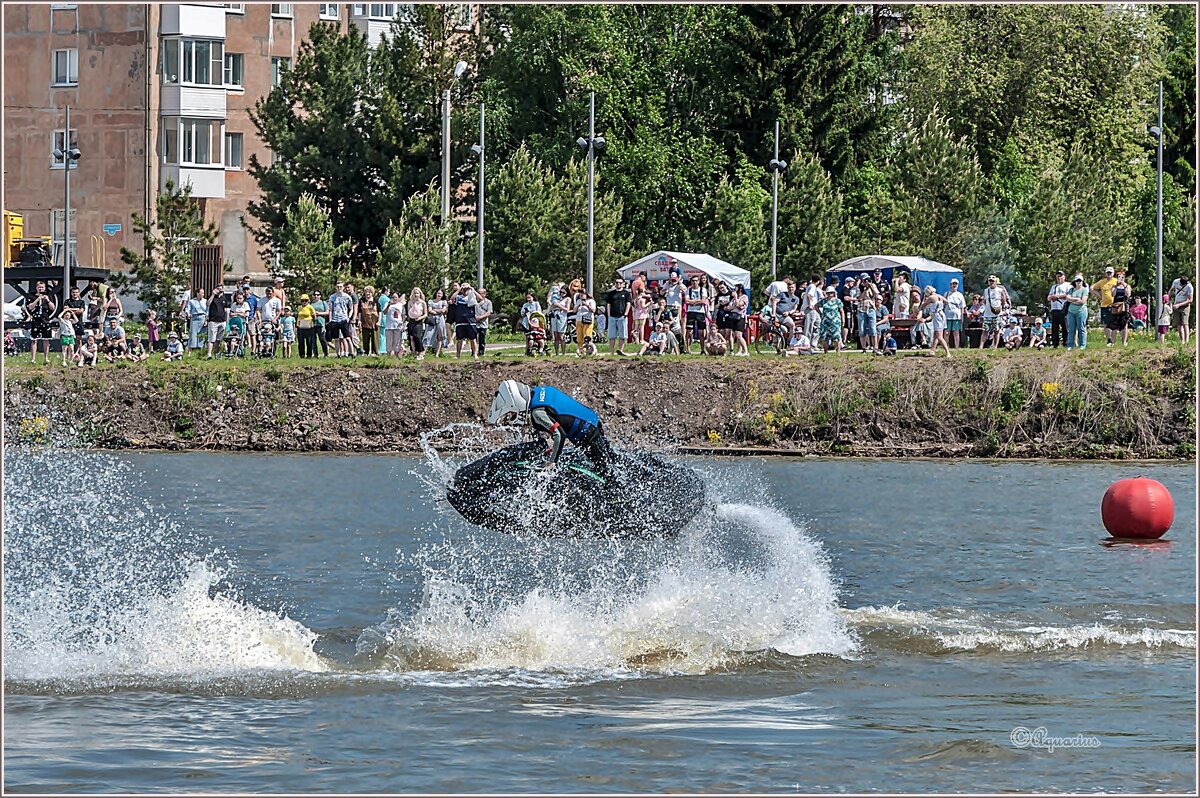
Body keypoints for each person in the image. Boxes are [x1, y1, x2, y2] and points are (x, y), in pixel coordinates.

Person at [487, 380, 616, 475]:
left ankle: (617, 498)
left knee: (604, 470)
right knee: (611, 459)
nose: (512, 417)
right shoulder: (539, 392)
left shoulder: (537, 413)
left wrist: (552, 462)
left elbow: (559, 434)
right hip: (593, 421)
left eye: (512, 414)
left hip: (588, 435)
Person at [24, 280, 57, 364]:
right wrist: (37, 299)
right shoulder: (32, 296)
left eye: (42, 287)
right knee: (34, 339)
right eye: (39, 287)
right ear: (36, 288)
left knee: (46, 339)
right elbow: (30, 307)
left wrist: (48, 300)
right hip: (36, 320)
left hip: (45, 320)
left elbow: (53, 308)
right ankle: (33, 359)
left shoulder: (49, 296)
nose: (41, 289)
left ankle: (46, 358)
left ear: (45, 288)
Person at [604, 277, 632, 355]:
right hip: (612, 316)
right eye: (617, 283)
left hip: (622, 316)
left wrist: (626, 314)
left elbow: (628, 303)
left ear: (623, 284)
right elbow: (608, 304)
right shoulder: (611, 293)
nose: (618, 284)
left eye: (620, 283)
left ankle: (620, 350)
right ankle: (611, 351)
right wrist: (609, 315)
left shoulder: (626, 293)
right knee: (611, 335)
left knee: (622, 335)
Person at [979, 275, 1008, 349]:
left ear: (996, 282)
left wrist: (999, 309)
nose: (991, 282)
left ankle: (995, 346)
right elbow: (984, 301)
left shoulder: (1000, 290)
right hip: (987, 314)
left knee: (996, 330)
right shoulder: (986, 290)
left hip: (997, 314)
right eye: (990, 281)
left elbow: (1003, 301)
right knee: (985, 331)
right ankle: (981, 347)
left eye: (993, 281)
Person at [452, 282, 480, 359]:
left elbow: (481, 299)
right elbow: (452, 298)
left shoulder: (472, 297)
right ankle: (458, 355)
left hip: (471, 320)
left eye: (466, 289)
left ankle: (475, 354)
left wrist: (472, 290)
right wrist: (459, 289)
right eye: (464, 289)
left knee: (473, 338)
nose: (465, 291)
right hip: (460, 320)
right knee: (459, 339)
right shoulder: (458, 297)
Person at [327, 281, 354, 358]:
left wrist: (349, 317)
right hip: (335, 319)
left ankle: (351, 353)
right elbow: (330, 309)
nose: (339, 288)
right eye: (338, 287)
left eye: (341, 287)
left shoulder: (347, 297)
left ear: (343, 287)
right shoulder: (332, 297)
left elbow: (351, 308)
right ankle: (338, 354)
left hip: (343, 318)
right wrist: (330, 319)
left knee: (347, 337)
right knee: (336, 338)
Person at [1091, 266, 1117, 344]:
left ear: (1113, 273)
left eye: (1110, 273)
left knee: (1114, 324)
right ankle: (1109, 340)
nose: (1109, 274)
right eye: (1108, 273)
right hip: (1104, 305)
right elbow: (1092, 288)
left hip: (1114, 305)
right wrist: (1099, 296)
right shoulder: (1102, 282)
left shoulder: (1116, 281)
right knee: (1106, 324)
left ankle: (1113, 340)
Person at [1106, 272, 1132, 347]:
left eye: (1122, 277)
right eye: (1119, 277)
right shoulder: (1114, 286)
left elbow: (1128, 294)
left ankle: (1124, 342)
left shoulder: (1127, 286)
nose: (1120, 279)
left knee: (1124, 325)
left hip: (1124, 306)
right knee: (1114, 325)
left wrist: (1123, 284)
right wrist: (1117, 285)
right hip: (1116, 306)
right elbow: (1113, 294)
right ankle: (1113, 342)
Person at [1046, 270, 1071, 348]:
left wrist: (1058, 296)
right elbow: (1048, 297)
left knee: (1065, 327)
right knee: (1055, 328)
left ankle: (1066, 343)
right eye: (1057, 276)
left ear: (1064, 277)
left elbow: (1069, 295)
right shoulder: (1054, 287)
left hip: (1063, 308)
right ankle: (1055, 344)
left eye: (1061, 276)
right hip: (1054, 309)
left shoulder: (1068, 285)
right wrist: (1052, 297)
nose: (1059, 278)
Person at [1065, 274, 1089, 350]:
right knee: (1071, 329)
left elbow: (1082, 301)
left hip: (1081, 311)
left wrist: (1072, 300)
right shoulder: (1071, 290)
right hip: (1071, 312)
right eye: (1077, 281)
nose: (1078, 282)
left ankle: (1082, 345)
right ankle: (1070, 345)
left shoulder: (1084, 290)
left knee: (1081, 328)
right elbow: (1067, 298)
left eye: (1080, 281)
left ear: (1082, 281)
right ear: (1074, 282)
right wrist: (1076, 299)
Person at [818, 286, 844, 353]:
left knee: (836, 337)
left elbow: (841, 311)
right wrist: (821, 314)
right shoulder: (823, 301)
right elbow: (816, 306)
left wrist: (843, 320)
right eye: (828, 293)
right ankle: (825, 352)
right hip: (825, 322)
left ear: (834, 293)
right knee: (825, 337)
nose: (830, 294)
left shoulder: (838, 301)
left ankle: (838, 352)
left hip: (835, 321)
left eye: (831, 292)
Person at [205, 284, 227, 359]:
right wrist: (213, 295)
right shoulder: (212, 297)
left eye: (220, 289)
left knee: (219, 339)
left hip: (222, 321)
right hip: (213, 321)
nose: (219, 290)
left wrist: (226, 320)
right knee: (211, 339)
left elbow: (225, 309)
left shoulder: (223, 298)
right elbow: (207, 304)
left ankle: (217, 354)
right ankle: (209, 355)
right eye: (218, 289)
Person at [1169, 275, 1193, 344]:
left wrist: (1179, 305)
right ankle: (1182, 340)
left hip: (1185, 306)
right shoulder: (1176, 282)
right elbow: (1171, 290)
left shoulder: (1189, 287)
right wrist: (1168, 299)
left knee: (1185, 323)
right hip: (1176, 305)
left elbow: (1190, 300)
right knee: (1178, 324)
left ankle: (1187, 341)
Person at [407, 287, 428, 360]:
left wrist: (420, 318)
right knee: (411, 337)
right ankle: (413, 352)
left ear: (420, 294)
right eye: (415, 293)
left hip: (419, 321)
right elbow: (408, 312)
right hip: (412, 320)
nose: (416, 295)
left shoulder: (423, 303)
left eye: (417, 293)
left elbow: (425, 314)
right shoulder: (410, 302)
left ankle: (421, 351)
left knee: (417, 336)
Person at [944, 278, 965, 349]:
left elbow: (962, 307)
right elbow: (943, 305)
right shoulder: (946, 294)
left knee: (956, 332)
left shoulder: (960, 295)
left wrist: (962, 317)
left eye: (956, 284)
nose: (954, 285)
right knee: (947, 332)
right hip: (947, 316)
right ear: (951, 285)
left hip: (956, 316)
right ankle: (946, 347)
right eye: (953, 284)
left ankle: (957, 347)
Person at [359, 286, 380, 356]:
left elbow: (380, 311)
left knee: (375, 338)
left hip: (374, 322)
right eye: (366, 293)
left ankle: (374, 352)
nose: (367, 295)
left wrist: (379, 321)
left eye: (369, 293)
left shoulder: (376, 300)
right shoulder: (361, 300)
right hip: (365, 321)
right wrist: (359, 320)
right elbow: (359, 311)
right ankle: (366, 352)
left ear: (372, 293)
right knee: (365, 338)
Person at [185, 287, 207, 353]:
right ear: (197, 293)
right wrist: (188, 314)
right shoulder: (192, 301)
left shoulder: (205, 301)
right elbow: (187, 309)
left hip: (202, 317)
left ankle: (200, 349)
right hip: (194, 317)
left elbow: (207, 311)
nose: (202, 294)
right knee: (193, 333)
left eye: (203, 293)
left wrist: (206, 320)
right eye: (201, 293)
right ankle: (190, 350)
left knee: (202, 333)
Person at [384, 292, 406, 358]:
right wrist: (388, 305)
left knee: (397, 342)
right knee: (389, 342)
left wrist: (403, 324)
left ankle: (396, 355)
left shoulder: (401, 305)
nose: (394, 298)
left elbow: (404, 316)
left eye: (396, 297)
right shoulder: (387, 304)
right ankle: (388, 356)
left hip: (398, 326)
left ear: (398, 298)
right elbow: (384, 312)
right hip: (389, 326)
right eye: (393, 297)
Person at [310, 289, 330, 357]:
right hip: (312, 323)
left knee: (322, 339)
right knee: (313, 340)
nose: (316, 296)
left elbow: (327, 312)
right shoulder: (311, 304)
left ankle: (326, 353)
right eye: (315, 295)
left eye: (318, 295)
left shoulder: (323, 303)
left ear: (320, 296)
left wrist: (319, 313)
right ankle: (315, 354)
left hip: (321, 323)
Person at [474, 288, 494, 355]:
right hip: (474, 323)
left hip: (483, 324)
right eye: (478, 293)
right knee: (473, 339)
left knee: (482, 339)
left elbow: (489, 312)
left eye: (480, 293)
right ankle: (474, 352)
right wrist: (475, 317)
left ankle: (481, 353)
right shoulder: (474, 302)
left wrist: (481, 317)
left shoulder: (488, 302)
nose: (478, 294)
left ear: (484, 294)